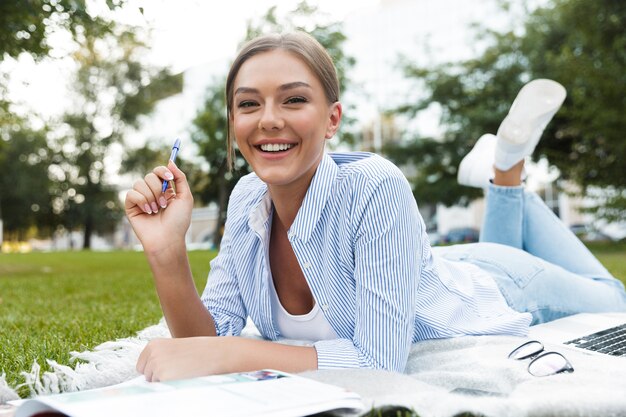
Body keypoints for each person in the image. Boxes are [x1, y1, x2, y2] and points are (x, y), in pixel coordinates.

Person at [124, 31, 626, 382]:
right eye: (249, 104)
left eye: (294, 100)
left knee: (614, 297)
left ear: (332, 118)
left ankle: (507, 172)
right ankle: (505, 167)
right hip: (439, 268)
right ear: (234, 121)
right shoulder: (248, 197)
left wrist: (228, 355)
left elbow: (378, 362)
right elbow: (203, 341)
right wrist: (167, 253)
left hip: (503, 286)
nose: (268, 120)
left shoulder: (374, 185)